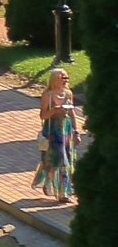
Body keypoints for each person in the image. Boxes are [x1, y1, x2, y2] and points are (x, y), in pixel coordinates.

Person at [35, 66, 83, 201]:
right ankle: (49, 180)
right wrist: (55, 110)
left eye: (67, 78)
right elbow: (43, 115)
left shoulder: (68, 93)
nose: (65, 80)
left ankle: (64, 192)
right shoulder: (48, 94)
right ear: (55, 79)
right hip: (52, 131)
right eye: (63, 78)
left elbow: (72, 113)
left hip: (66, 131)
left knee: (67, 160)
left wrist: (76, 131)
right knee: (57, 160)